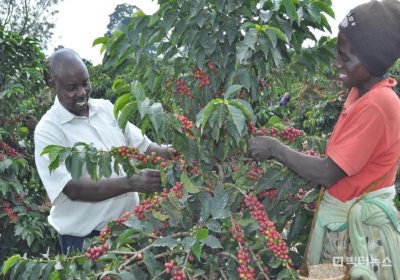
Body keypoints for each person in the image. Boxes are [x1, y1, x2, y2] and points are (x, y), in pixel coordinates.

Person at [246, 1, 400, 279]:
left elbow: (329, 173)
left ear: (372, 60)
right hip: (344, 228)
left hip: (360, 241)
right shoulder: (360, 92)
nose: (337, 63)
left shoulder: (378, 104)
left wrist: (274, 147)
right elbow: (344, 164)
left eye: (345, 57)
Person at [34, 48, 175, 255]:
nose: (82, 93)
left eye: (85, 83)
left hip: (129, 231)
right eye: (71, 88)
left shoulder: (107, 109)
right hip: (84, 242)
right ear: (53, 86)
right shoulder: (48, 130)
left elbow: (147, 148)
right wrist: (132, 183)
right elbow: (73, 188)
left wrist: (182, 151)